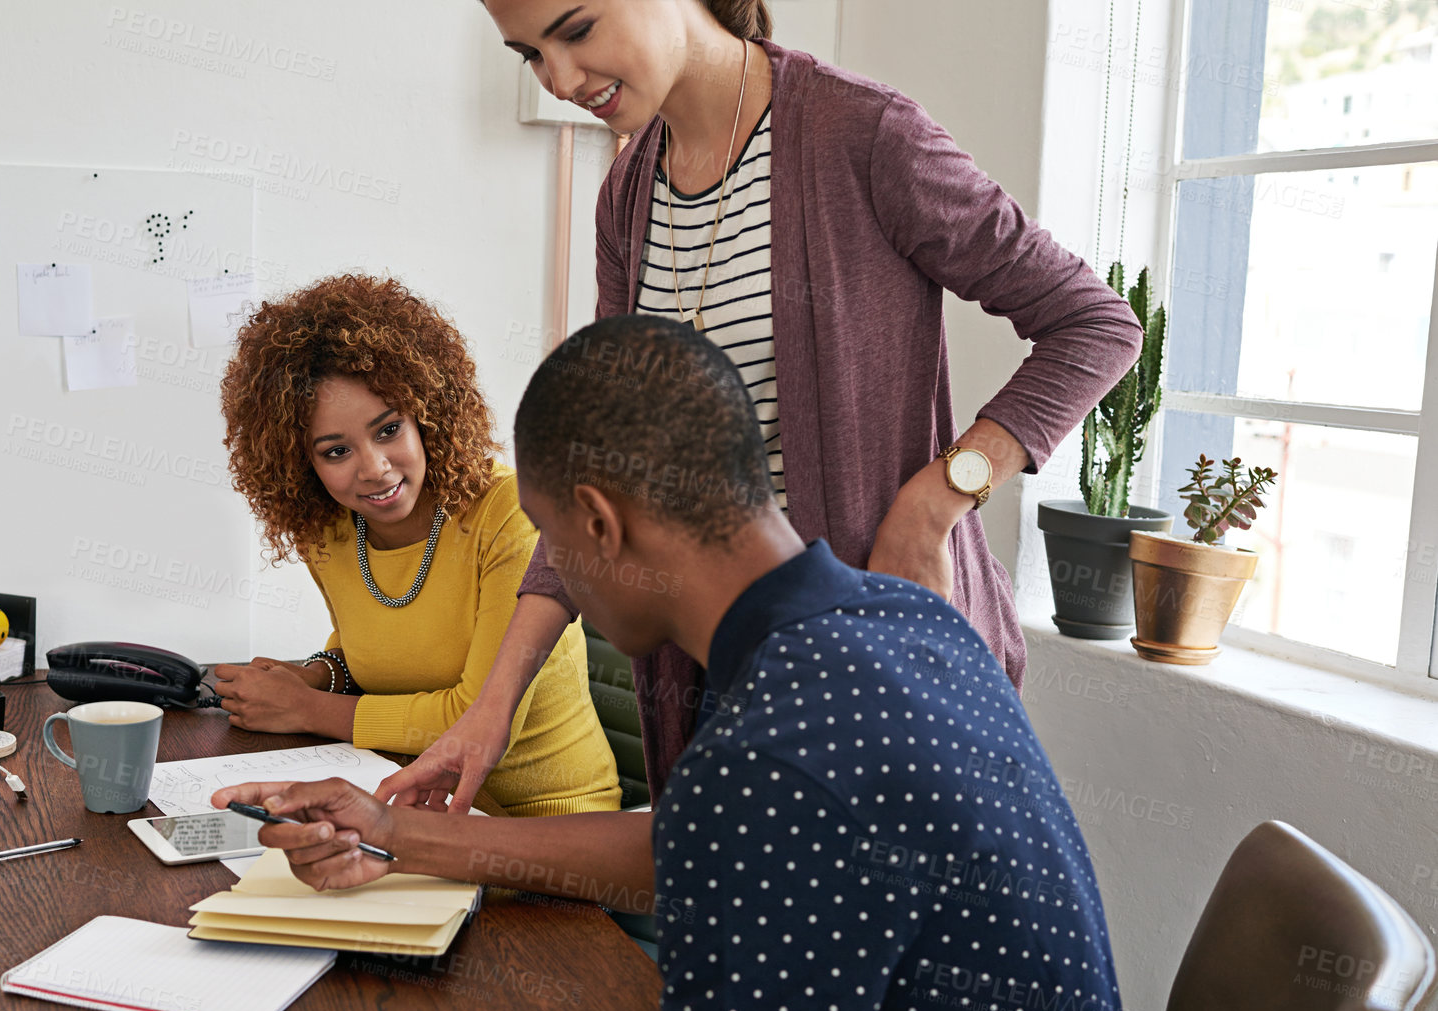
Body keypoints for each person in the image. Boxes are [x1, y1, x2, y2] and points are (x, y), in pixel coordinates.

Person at [213, 316, 1136, 1011]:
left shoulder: (761, 757)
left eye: (549, 541)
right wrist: (398, 830)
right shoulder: (909, 619)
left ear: (599, 525)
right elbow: (690, 841)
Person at [378, 0, 1144, 816]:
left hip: (884, 662)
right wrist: (489, 710)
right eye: (528, 54)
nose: (560, 79)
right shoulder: (628, 198)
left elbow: (1094, 324)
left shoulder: (863, 135)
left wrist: (938, 499)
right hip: (714, 672)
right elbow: (597, 457)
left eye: (576, 30)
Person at [215, 272, 620, 817]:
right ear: (301, 463)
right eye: (336, 451)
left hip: (547, 824)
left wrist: (307, 709)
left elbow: (478, 720)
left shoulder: (511, 514)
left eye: (388, 430)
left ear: (427, 414)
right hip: (408, 800)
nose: (375, 470)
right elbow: (369, 654)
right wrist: (314, 675)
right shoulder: (330, 531)